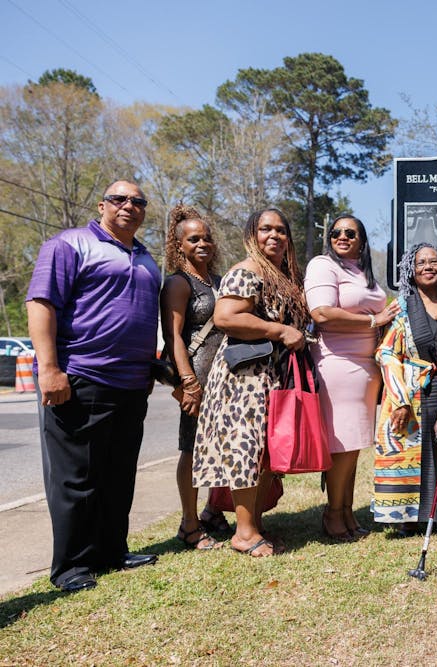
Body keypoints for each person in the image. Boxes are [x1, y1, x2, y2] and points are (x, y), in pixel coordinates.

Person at [26, 180, 160, 592]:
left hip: (131, 385)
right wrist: (49, 368)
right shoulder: (69, 244)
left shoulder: (147, 257)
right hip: (80, 377)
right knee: (76, 477)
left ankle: (110, 551)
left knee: (118, 475)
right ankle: (70, 566)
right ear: (102, 205)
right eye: (119, 199)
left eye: (137, 201)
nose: (129, 206)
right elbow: (42, 303)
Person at [192, 207, 310, 558]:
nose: (273, 236)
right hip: (245, 377)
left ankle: (253, 524)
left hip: (270, 374)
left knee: (262, 453)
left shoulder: (281, 273)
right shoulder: (247, 271)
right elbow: (226, 316)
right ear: (252, 235)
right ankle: (244, 533)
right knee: (246, 449)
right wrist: (280, 330)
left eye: (280, 230)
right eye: (265, 229)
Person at [305, 215, 400, 540]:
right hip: (337, 364)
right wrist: (374, 320)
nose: (342, 237)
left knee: (355, 444)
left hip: (366, 368)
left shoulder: (361, 272)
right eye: (336, 232)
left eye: (351, 233)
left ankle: (346, 511)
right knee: (341, 444)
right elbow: (321, 313)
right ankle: (333, 514)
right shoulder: (322, 265)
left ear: (361, 240)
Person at [371, 243, 437, 533]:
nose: (428, 267)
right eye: (421, 263)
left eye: (434, 262)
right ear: (412, 269)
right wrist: (400, 399)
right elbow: (386, 352)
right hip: (413, 390)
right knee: (415, 450)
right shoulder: (402, 306)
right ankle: (410, 516)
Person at [159, 204, 225, 550]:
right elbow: (173, 337)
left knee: (221, 445)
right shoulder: (178, 283)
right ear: (179, 244)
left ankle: (214, 511)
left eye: (207, 238)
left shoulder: (216, 280)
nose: (203, 244)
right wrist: (188, 382)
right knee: (193, 448)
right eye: (194, 239)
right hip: (196, 375)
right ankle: (189, 524)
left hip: (225, 376)